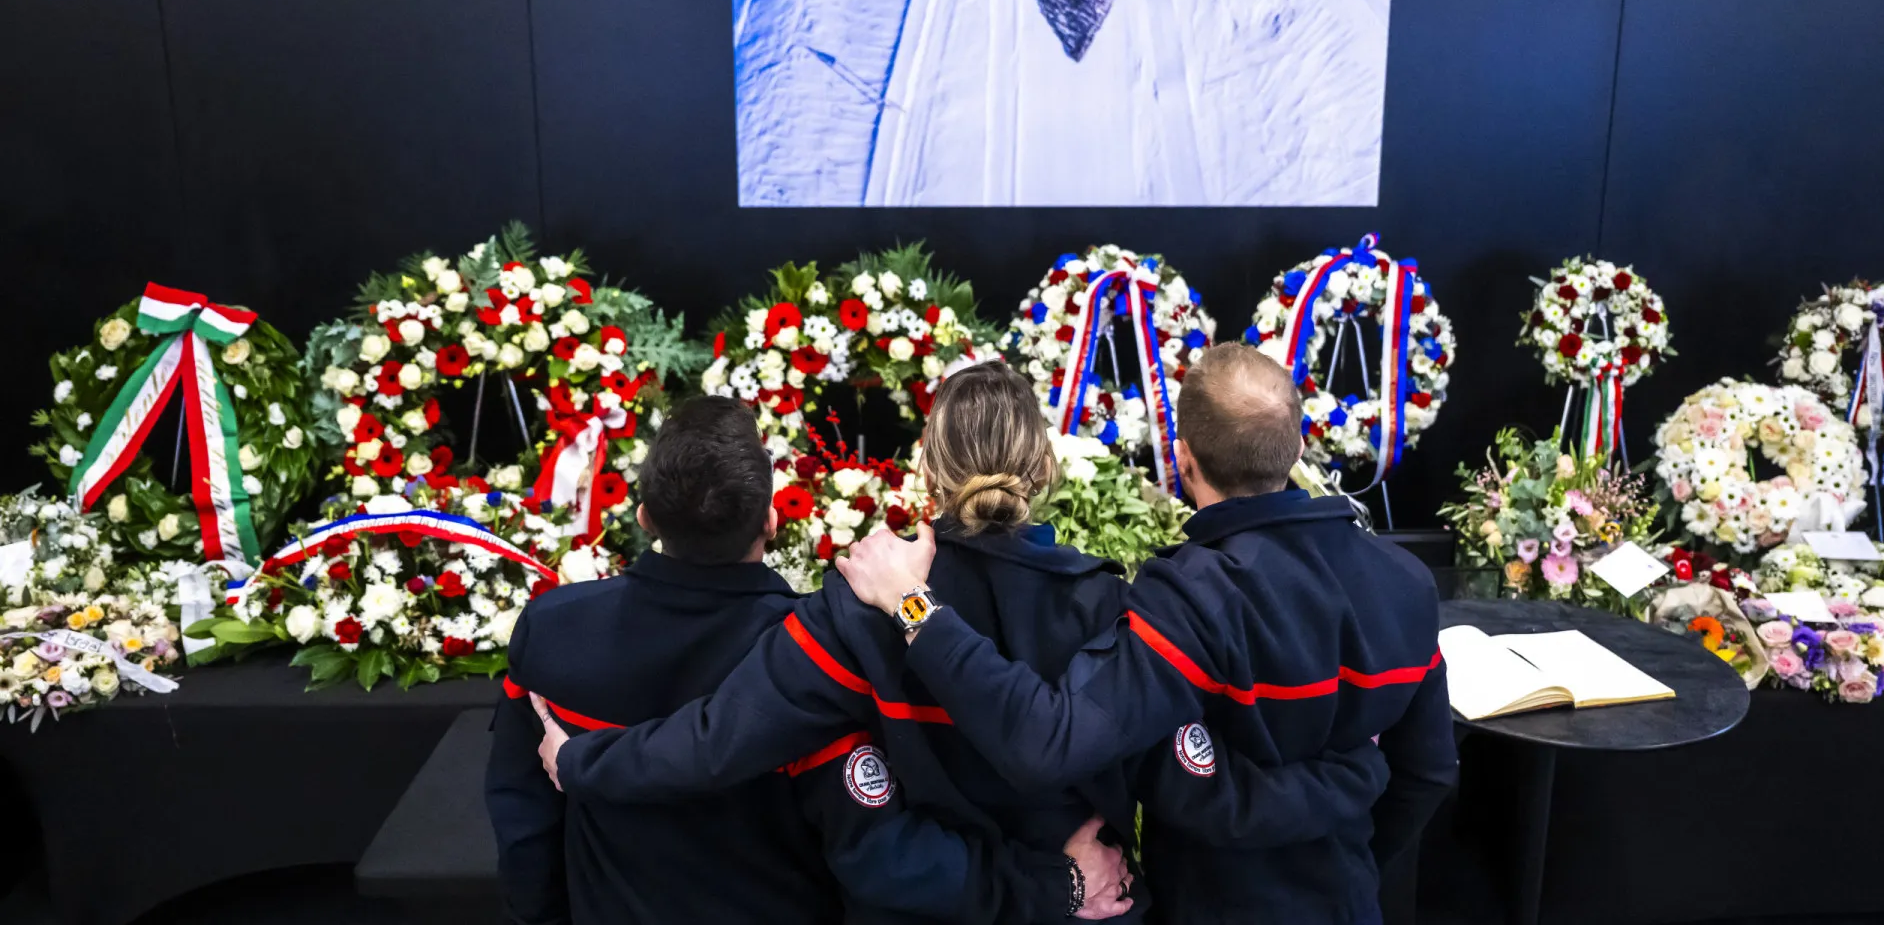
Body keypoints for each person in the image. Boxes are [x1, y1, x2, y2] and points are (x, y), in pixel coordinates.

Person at [527, 363, 1393, 921]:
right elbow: (1199, 790)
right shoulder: (1116, 607)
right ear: (1046, 468)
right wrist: (1358, 772)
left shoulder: (858, 606)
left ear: (928, 470)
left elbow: (716, 739)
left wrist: (587, 762)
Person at [832, 343, 1458, 923]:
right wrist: (1353, 788)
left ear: (1182, 460)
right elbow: (1427, 772)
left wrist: (915, 609)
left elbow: (1106, 758)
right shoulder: (1408, 582)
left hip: (1205, 902)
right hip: (1348, 896)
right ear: (1299, 448)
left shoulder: (1187, 596)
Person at [486, 395, 1124, 925]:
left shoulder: (552, 628)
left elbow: (531, 814)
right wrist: (1054, 887)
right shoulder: (1111, 603)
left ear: (645, 516)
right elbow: (871, 843)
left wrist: (577, 762)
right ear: (770, 519)